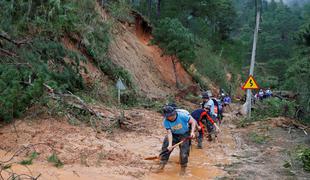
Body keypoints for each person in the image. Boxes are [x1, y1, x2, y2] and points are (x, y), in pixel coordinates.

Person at [156, 105, 196, 175]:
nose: (170, 117)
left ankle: (183, 169)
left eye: (171, 115)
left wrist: (192, 132)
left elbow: (193, 122)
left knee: (184, 153)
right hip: (173, 134)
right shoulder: (166, 121)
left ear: (174, 113)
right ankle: (161, 166)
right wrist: (170, 145)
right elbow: (169, 133)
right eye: (168, 116)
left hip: (184, 134)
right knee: (166, 149)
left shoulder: (182, 115)